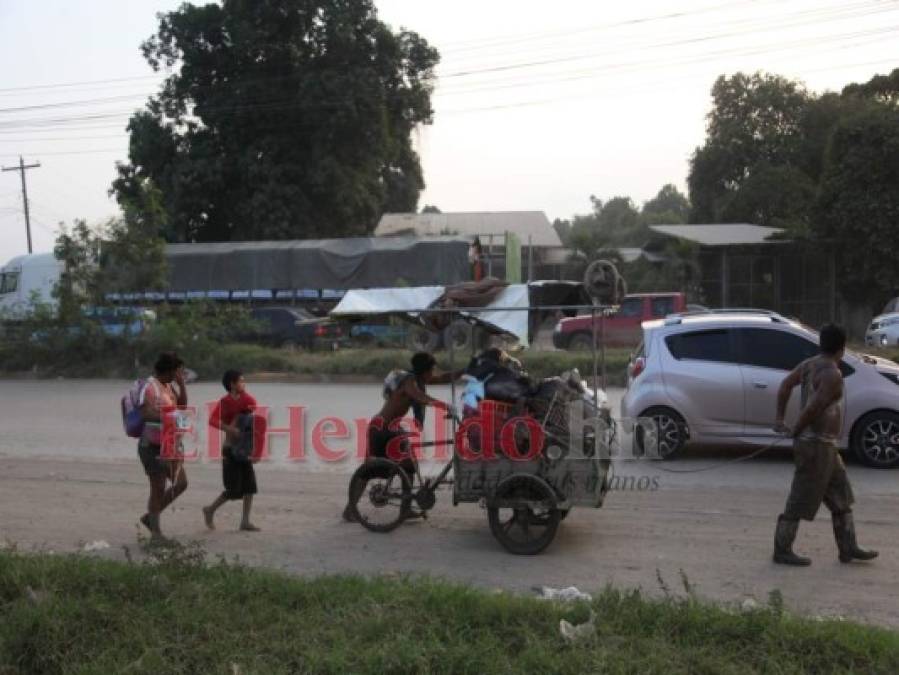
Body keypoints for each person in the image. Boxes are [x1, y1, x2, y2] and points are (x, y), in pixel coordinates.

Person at [772, 324, 878, 566]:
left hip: (826, 446)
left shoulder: (810, 364)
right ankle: (782, 549)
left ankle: (848, 547)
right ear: (842, 348)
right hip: (815, 446)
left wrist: (780, 419)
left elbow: (786, 385)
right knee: (800, 497)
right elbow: (814, 407)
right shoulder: (832, 374)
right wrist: (796, 429)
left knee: (841, 496)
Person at [343, 352, 462, 522]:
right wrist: (445, 406)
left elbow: (443, 378)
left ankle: (405, 510)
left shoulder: (419, 380)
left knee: (409, 467)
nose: (433, 373)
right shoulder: (409, 382)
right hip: (381, 428)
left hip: (393, 429)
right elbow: (419, 397)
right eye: (432, 369)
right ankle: (350, 511)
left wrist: (465, 371)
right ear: (425, 370)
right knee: (368, 471)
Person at [138, 352, 189, 542]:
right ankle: (156, 535)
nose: (180, 374)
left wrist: (181, 385)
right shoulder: (149, 387)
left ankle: (150, 518)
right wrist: (169, 417)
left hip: (169, 445)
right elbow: (145, 413)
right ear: (170, 370)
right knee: (157, 488)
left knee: (181, 483)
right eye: (179, 371)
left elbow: (182, 407)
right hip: (151, 446)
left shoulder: (168, 387)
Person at [203, 370, 261, 532]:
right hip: (230, 449)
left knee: (250, 487)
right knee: (234, 490)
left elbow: (252, 425)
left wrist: (256, 449)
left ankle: (245, 521)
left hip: (245, 449)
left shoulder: (249, 400)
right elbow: (212, 420)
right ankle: (210, 509)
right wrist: (229, 428)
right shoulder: (225, 402)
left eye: (244, 381)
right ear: (232, 384)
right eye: (241, 381)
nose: (244, 384)